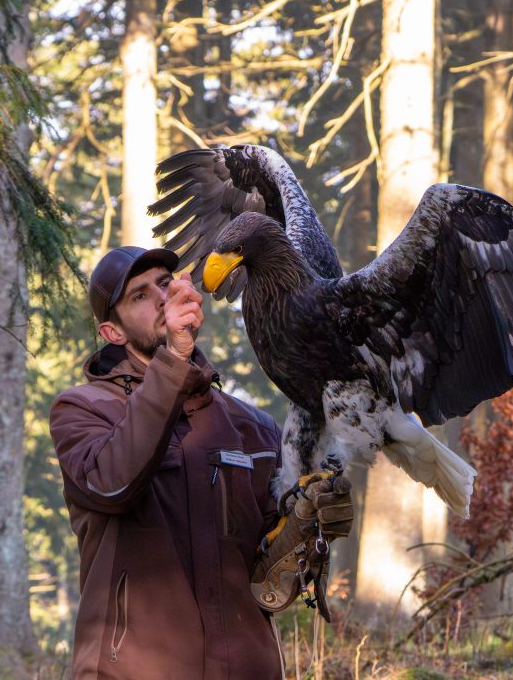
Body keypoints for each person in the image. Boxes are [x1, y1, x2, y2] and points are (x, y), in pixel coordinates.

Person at [50, 246, 352, 679]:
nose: (161, 296)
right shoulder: (83, 409)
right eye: (139, 295)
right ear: (112, 332)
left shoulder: (251, 425)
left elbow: (272, 579)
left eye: (164, 282)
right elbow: (112, 484)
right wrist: (174, 358)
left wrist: (308, 531)